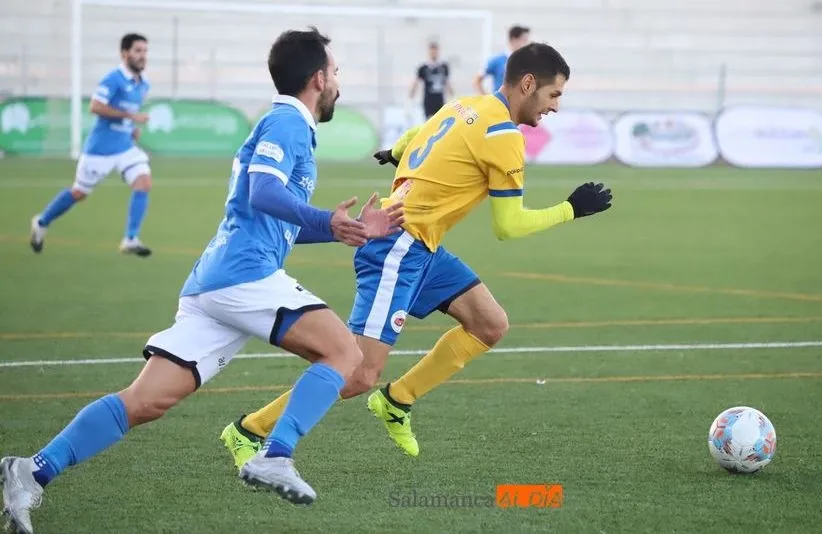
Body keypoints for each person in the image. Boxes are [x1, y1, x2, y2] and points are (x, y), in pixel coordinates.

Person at [1, 27, 405, 534]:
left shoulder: (283, 125)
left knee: (145, 401)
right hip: (244, 275)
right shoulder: (288, 122)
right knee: (345, 354)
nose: (338, 84)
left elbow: (271, 218)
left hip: (215, 284)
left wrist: (347, 231)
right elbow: (262, 193)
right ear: (318, 78)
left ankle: (30, 470)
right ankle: (274, 455)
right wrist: (329, 220)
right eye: (337, 73)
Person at [218, 43, 612, 468]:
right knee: (357, 374)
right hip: (399, 247)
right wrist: (571, 209)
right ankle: (249, 430)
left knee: (489, 324)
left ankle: (397, 401)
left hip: (420, 244)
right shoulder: (503, 137)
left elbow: (411, 139)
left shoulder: (465, 105)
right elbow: (508, 225)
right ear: (529, 84)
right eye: (554, 95)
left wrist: (395, 154)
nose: (555, 107)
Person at [29, 33, 154, 257]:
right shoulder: (112, 79)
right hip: (100, 150)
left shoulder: (143, 84)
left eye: (145, 51)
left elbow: (126, 114)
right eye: (137, 51)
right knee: (79, 193)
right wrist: (130, 117)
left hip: (125, 147)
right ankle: (41, 221)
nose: (142, 55)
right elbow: (95, 106)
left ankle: (130, 239)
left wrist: (130, 127)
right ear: (124, 53)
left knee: (144, 182)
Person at [473, 25, 530, 94]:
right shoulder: (497, 60)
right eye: (524, 40)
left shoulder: (526, 61)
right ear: (514, 40)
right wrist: (486, 98)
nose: (526, 44)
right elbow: (477, 81)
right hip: (500, 103)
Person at [410, 41, 453, 119]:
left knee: (440, 121)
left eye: (435, 51)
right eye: (432, 51)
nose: (434, 53)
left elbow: (447, 83)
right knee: (429, 122)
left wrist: (452, 96)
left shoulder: (443, 67)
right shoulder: (423, 68)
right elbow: (416, 83)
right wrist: (411, 97)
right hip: (428, 100)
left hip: (440, 100)